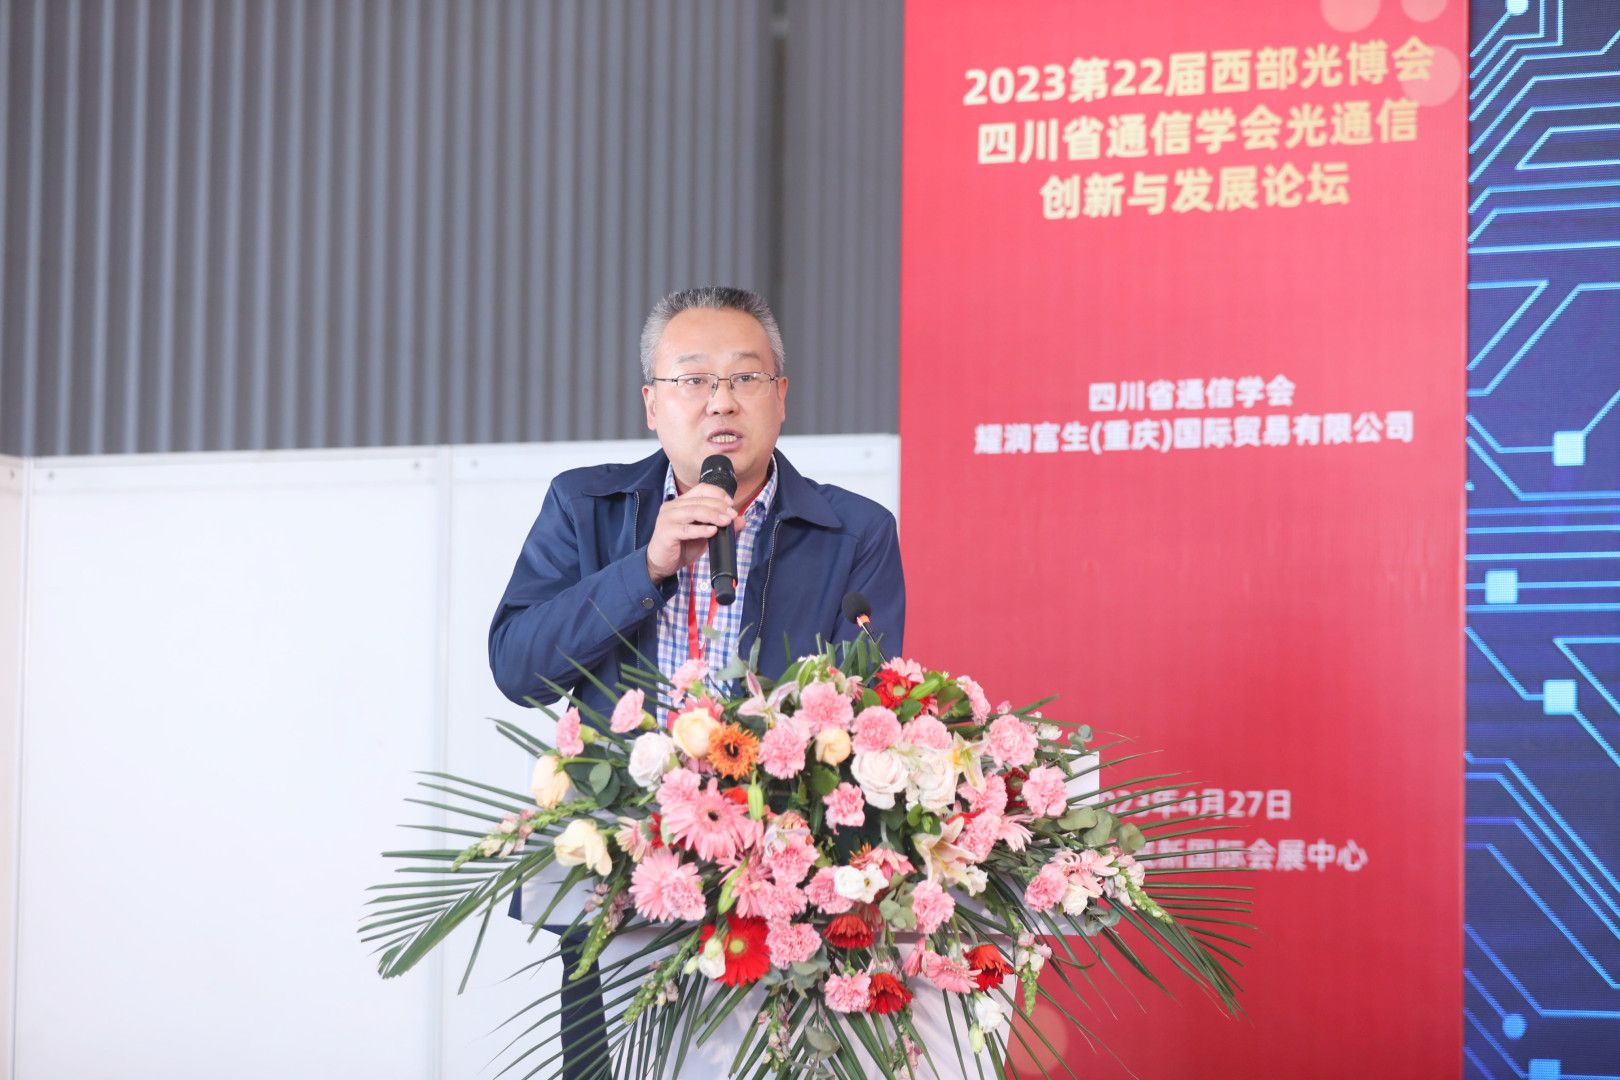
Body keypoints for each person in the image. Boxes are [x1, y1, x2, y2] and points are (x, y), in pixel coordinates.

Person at [487, 285, 905, 1077]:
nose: (721, 401)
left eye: (745, 377)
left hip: (781, 890)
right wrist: (643, 567)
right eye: (693, 380)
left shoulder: (855, 532)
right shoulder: (585, 507)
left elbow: (868, 715)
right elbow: (518, 668)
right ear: (653, 403)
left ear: (781, 397)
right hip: (618, 878)